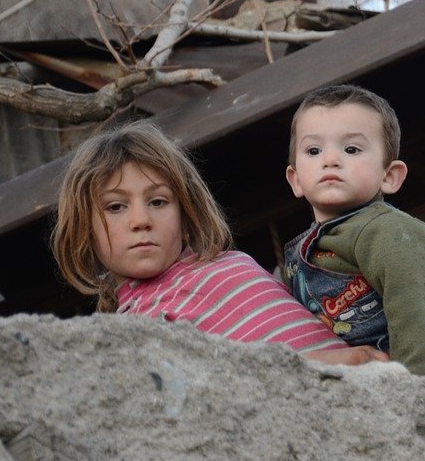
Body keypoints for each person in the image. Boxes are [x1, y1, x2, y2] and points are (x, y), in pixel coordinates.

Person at [52, 120, 386, 367]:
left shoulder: (233, 264)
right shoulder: (132, 336)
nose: (141, 220)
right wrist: (323, 364)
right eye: (115, 207)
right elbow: (221, 387)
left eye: (158, 202)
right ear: (85, 231)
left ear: (186, 214)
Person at [282, 84, 425, 383]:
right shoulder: (304, 250)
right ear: (295, 180)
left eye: (351, 149)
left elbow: (413, 303)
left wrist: (409, 383)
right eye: (314, 150)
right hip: (384, 359)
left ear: (389, 176)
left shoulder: (387, 229)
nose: (330, 159)